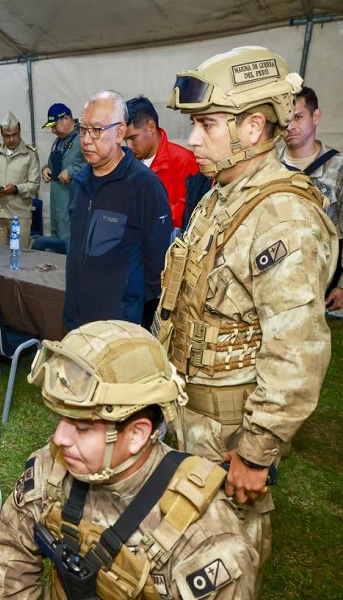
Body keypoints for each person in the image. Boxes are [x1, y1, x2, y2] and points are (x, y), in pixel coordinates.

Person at [156, 46, 336, 576]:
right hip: (189, 419)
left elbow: (297, 353)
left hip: (231, 435)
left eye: (206, 124)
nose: (191, 139)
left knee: (225, 562)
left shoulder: (283, 216)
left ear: (254, 128)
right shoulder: (219, 197)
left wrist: (256, 454)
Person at [0, 320, 259, 599]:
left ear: (137, 435)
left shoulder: (207, 543)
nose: (59, 438)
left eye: (82, 428)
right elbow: (10, 555)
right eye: (61, 420)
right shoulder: (52, 470)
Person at [64, 90, 172, 331]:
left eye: (97, 130)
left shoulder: (144, 185)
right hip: (76, 319)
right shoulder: (80, 182)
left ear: (120, 132)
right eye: (82, 129)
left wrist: (131, 311)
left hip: (120, 327)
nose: (86, 139)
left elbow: (158, 266)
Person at [279, 86, 343, 308]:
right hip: (275, 275)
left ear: (316, 116)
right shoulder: (268, 167)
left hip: (321, 278)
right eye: (285, 119)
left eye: (298, 117)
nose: (290, 126)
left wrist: (342, 284)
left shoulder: (338, 167)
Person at [125, 96, 200, 229]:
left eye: (133, 138)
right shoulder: (128, 163)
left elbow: (189, 211)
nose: (129, 146)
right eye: (125, 140)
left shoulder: (184, 161)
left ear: (151, 127)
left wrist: (146, 215)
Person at [0, 111, 41, 247]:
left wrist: (15, 189)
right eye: (7, 136)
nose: (11, 139)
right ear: (2, 135)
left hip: (19, 216)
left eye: (14, 134)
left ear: (19, 132)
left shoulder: (29, 154)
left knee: (20, 258)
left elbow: (34, 185)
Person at [40, 103, 85, 240]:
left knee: (68, 242)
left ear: (66, 118)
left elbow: (94, 165)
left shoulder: (83, 138)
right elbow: (52, 162)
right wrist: (46, 169)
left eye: (54, 126)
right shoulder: (57, 142)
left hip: (73, 202)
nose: (52, 130)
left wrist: (71, 172)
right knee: (56, 240)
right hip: (56, 203)